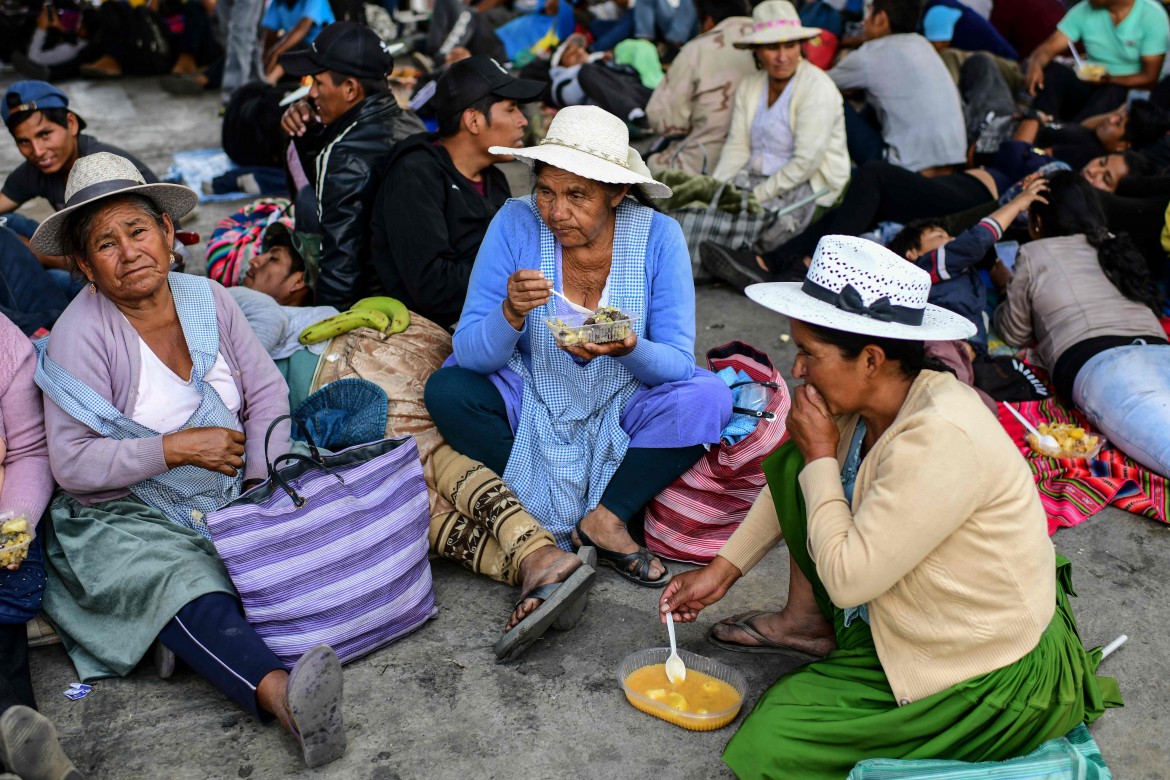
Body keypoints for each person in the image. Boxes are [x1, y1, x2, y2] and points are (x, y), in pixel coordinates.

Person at [659, 235, 1119, 778]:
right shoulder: (870, 400)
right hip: (904, 612)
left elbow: (851, 582)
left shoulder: (939, 434)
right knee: (794, 460)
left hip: (979, 669)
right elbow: (789, 484)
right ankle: (809, 625)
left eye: (809, 353)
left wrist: (822, 457)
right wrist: (723, 569)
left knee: (770, 741)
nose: (797, 368)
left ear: (872, 359)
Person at [28, 153, 347, 769]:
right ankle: (286, 699)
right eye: (105, 243)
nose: (129, 252)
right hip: (127, 512)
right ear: (85, 266)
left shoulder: (212, 300)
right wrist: (173, 448)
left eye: (139, 231)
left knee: (320, 503)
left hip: (238, 483)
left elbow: (265, 394)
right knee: (181, 579)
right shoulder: (80, 335)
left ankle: (176, 639)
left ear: (169, 235)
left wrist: (260, 483)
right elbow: (72, 466)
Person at [424, 105, 733, 592]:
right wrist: (510, 313)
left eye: (577, 196)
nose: (556, 211)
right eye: (545, 191)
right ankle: (539, 521)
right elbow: (472, 351)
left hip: (625, 399)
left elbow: (675, 362)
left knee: (707, 397)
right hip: (530, 394)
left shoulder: (660, 238)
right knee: (449, 389)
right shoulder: (514, 222)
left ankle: (606, 520)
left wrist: (628, 348)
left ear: (618, 192)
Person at [994, 171, 1170, 476]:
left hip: (1104, 367)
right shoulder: (1115, 244)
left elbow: (1014, 332)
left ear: (1037, 221)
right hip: (1158, 351)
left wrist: (1003, 285)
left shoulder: (1034, 252)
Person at [368, 56, 544, 329]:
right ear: (473, 121)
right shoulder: (414, 176)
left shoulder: (493, 177)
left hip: (485, 316)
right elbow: (433, 287)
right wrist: (514, 273)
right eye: (511, 109)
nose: (522, 121)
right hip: (426, 330)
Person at [279, 21, 426, 309]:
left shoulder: (344, 154)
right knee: (309, 199)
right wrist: (310, 133)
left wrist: (328, 328)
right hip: (418, 288)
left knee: (307, 204)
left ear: (349, 89)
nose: (310, 94)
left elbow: (342, 266)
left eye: (317, 83)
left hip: (380, 303)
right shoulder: (411, 121)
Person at [0, 312, 82, 780]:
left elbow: (29, 450)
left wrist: (12, 527)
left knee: (6, 593)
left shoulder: (5, 344)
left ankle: (22, 740)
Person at [709, 1, 849, 213]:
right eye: (772, 47)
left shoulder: (818, 88)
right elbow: (737, 146)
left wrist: (757, 196)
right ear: (757, 51)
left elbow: (805, 162)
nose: (782, 57)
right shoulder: (750, 86)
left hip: (806, 186)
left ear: (800, 46)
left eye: (790, 46)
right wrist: (715, 189)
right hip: (756, 179)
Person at [886, 176, 1050, 353]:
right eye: (939, 236)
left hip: (964, 353)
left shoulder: (966, 276)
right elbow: (977, 240)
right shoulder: (925, 266)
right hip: (940, 345)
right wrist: (1016, 204)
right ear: (912, 254)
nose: (952, 239)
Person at [829, 0, 966, 172]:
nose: (864, 22)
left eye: (869, 13)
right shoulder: (922, 44)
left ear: (881, 18)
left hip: (904, 168)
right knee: (876, 102)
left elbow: (814, 82)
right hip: (953, 163)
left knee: (828, 97)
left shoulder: (869, 55)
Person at [1, 81, 157, 218]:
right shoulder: (36, 170)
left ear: (71, 124)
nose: (38, 151)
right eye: (24, 141)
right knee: (13, 225)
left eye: (45, 134)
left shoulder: (104, 170)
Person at [643, 0, 756, 176]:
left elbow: (663, 119)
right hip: (758, 162)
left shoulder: (697, 49)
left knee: (649, 168)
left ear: (708, 20)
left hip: (704, 163)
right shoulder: (768, 40)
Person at [1026, 0, 1170, 122]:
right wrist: (1035, 64)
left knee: (1112, 93)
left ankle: (1068, 137)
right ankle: (1036, 124)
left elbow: (1149, 78)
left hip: (1126, 90)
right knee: (1053, 72)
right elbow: (1048, 49)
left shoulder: (1152, 16)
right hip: (1091, 82)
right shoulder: (1084, 10)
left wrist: (1109, 79)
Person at [260, 0, 336, 83]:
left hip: (319, 51)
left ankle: (267, 85)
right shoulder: (278, 3)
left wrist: (276, 53)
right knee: (280, 47)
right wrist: (267, 59)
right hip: (297, 49)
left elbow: (302, 28)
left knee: (284, 56)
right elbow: (270, 37)